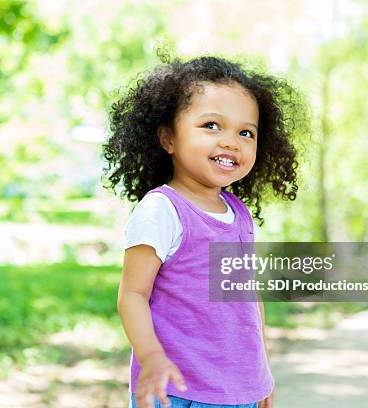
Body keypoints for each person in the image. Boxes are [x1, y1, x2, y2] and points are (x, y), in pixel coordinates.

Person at [103, 53, 307, 408]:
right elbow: (132, 295)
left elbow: (247, 299)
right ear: (168, 137)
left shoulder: (239, 214)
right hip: (179, 392)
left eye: (246, 132)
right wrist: (151, 357)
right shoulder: (162, 210)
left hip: (237, 392)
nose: (231, 141)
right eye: (211, 125)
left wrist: (261, 375)